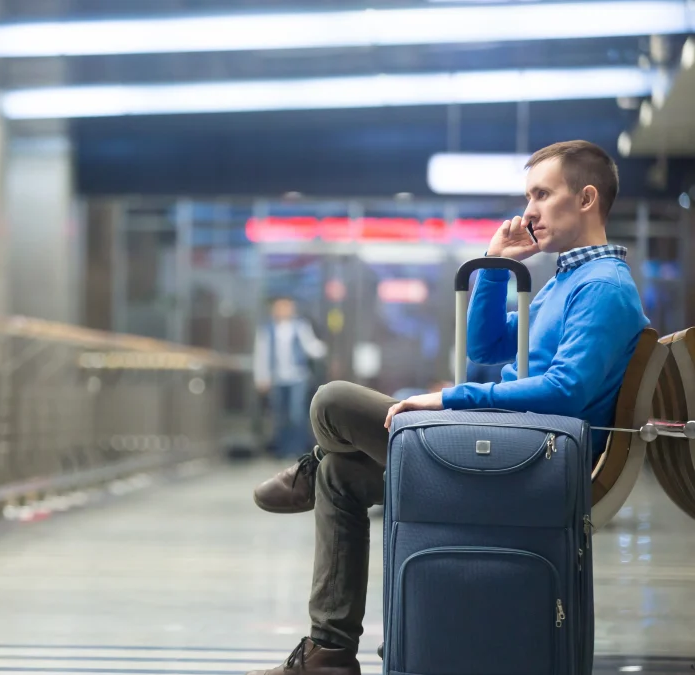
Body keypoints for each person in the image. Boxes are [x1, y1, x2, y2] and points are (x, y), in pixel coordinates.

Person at [246, 140, 649, 675]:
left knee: (332, 401)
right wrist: (497, 264)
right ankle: (330, 654)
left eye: (542, 194)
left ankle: (313, 461)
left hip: (532, 466)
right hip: (515, 449)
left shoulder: (603, 288)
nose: (528, 210)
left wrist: (449, 399)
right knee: (342, 476)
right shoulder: (567, 281)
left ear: (586, 199)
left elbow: (565, 391)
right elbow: (486, 349)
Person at [254, 296, 329, 459]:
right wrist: (262, 377)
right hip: (277, 378)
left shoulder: (300, 327)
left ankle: (298, 448)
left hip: (297, 376)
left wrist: (326, 349)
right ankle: (282, 449)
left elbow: (311, 347)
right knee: (279, 415)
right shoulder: (267, 330)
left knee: (296, 413)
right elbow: (261, 355)